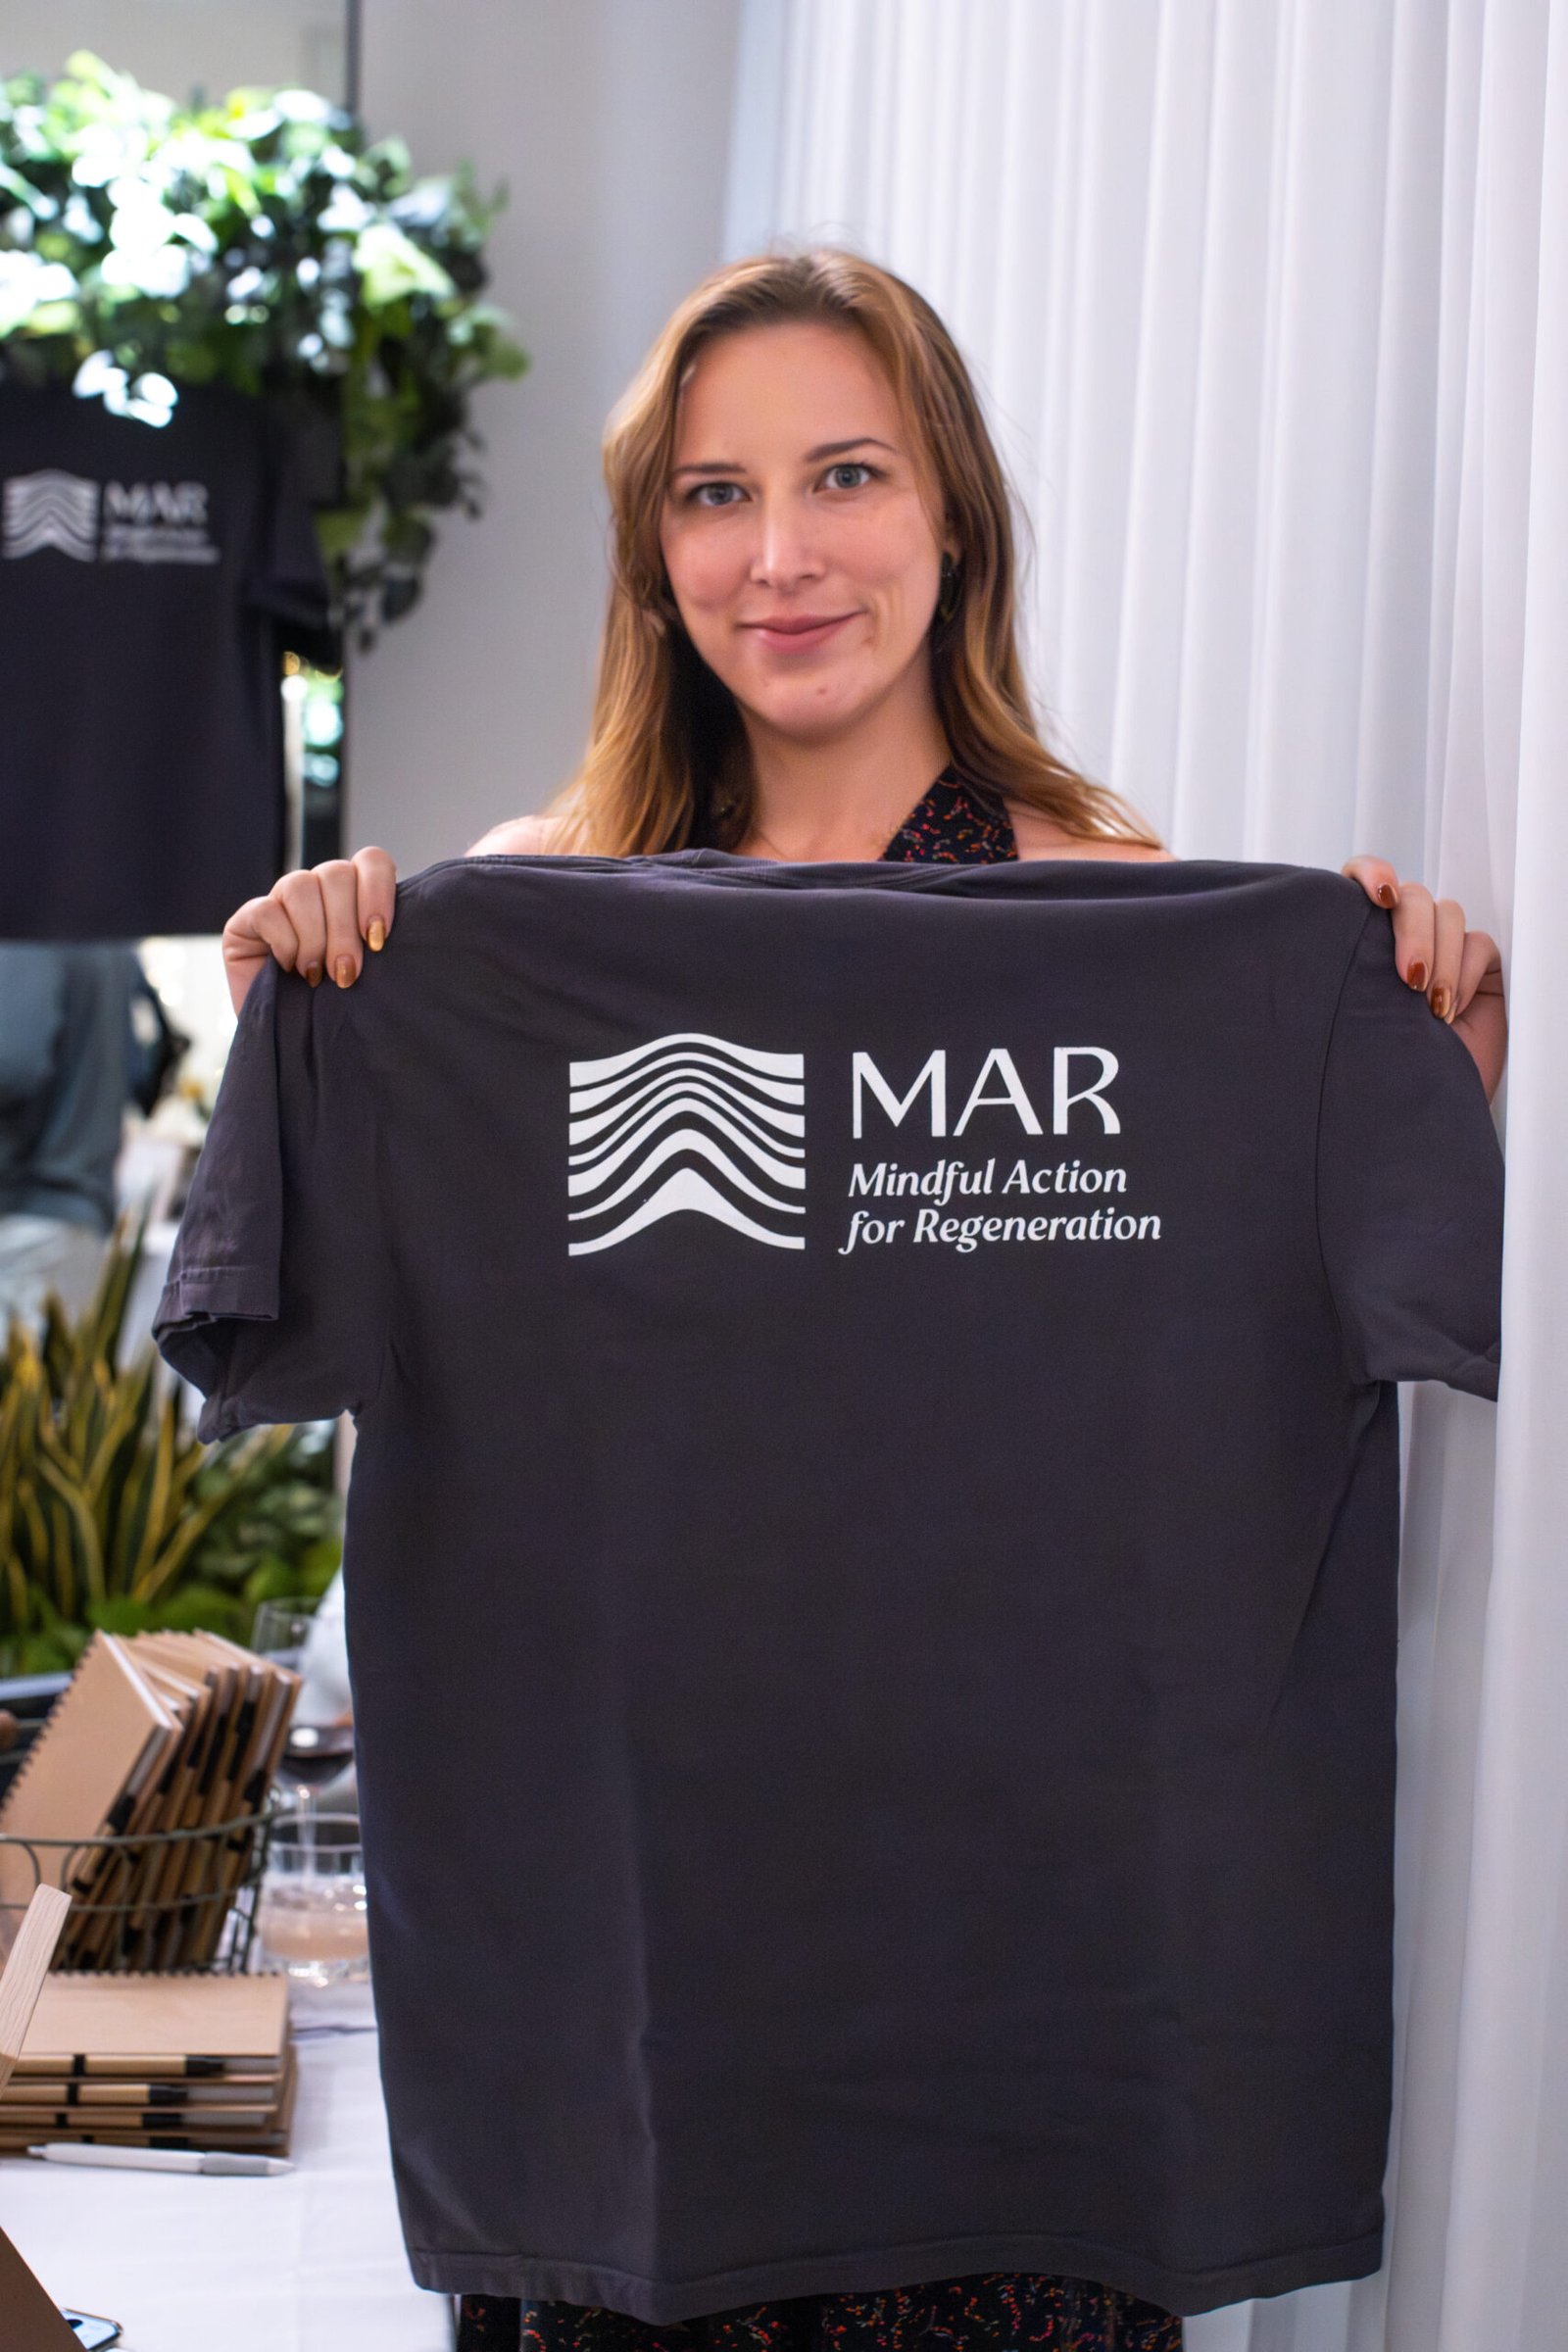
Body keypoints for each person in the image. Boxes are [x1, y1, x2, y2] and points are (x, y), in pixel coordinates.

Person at [219, 248, 1506, 2351]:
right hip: (632, 2084)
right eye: (714, 495)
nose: (781, 556)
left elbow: (1315, 1334)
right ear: (653, 558)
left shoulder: (1142, 941)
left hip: (1020, 2076)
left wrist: (1406, 1043)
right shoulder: (508, 938)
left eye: (846, 475)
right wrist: (322, 1014)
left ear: (953, 517)